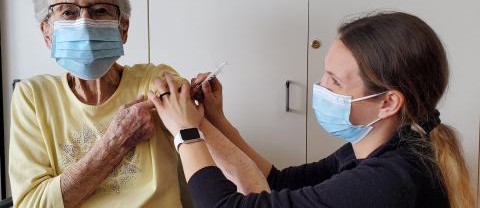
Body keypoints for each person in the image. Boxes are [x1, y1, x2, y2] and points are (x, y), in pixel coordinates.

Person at [147, 12, 475, 208]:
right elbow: (280, 182)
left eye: (334, 81)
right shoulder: (384, 146)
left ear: (388, 102)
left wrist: (185, 133)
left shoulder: (390, 179)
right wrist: (212, 121)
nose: (319, 87)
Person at [8, 0, 194, 208]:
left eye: (100, 11)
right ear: (47, 33)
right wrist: (114, 143)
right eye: (68, 12)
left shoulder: (153, 80)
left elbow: (202, 139)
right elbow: (32, 204)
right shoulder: (33, 97)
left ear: (123, 28)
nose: (84, 24)